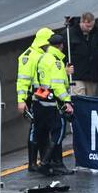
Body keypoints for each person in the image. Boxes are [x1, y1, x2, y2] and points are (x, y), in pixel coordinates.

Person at [32, 34, 74, 175]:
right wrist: (67, 101)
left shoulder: (42, 58)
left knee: (43, 131)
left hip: (41, 100)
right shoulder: (56, 62)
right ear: (61, 46)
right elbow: (57, 85)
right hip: (53, 102)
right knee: (59, 131)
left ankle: (50, 163)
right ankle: (46, 162)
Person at [16, 27, 54, 171]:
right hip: (33, 97)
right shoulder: (29, 56)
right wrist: (21, 100)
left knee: (43, 128)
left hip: (43, 96)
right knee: (35, 129)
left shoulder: (43, 54)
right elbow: (22, 81)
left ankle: (43, 160)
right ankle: (32, 163)